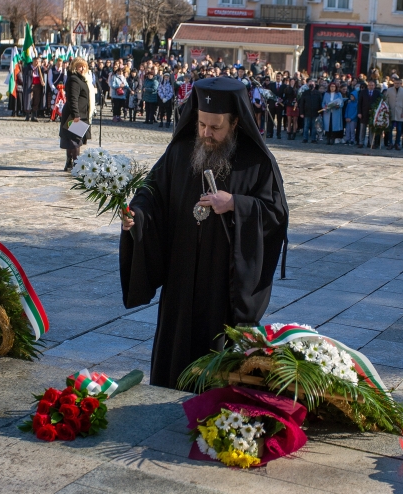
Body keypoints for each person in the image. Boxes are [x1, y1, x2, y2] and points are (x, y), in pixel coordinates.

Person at [119, 76, 289, 389]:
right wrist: (137, 217)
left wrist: (236, 203)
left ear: (235, 122)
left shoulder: (257, 162)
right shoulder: (181, 152)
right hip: (181, 277)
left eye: (215, 127)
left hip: (222, 283)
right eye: (201, 125)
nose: (206, 134)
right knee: (175, 353)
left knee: (217, 361)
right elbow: (150, 193)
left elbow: (276, 213)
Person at [60, 57, 94, 171]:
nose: (83, 68)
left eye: (84, 66)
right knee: (75, 141)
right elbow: (72, 99)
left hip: (80, 113)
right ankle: (75, 164)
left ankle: (70, 163)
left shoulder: (81, 78)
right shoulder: (74, 79)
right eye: (80, 66)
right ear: (74, 67)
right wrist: (76, 115)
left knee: (73, 140)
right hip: (74, 114)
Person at [384, 77, 403, 150]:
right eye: (396, 83)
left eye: (398, 83)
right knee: (390, 129)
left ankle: (397, 143)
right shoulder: (389, 90)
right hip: (391, 112)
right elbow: (386, 101)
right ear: (393, 83)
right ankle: (390, 143)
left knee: (399, 129)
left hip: (400, 112)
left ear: (401, 84)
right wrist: (386, 111)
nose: (397, 85)